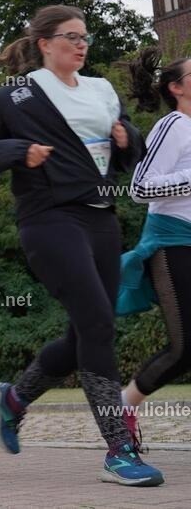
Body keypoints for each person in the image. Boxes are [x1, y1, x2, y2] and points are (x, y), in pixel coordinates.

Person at [0, 4, 163, 486]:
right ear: (45, 43)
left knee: (87, 332)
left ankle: (13, 400)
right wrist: (18, 152)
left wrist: (125, 136)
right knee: (96, 321)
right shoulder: (17, 95)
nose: (81, 44)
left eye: (85, 37)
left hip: (101, 220)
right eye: (70, 36)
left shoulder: (101, 90)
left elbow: (131, 149)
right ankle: (119, 450)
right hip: (48, 219)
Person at [119, 50, 191, 447]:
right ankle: (123, 406)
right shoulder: (173, 124)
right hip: (172, 241)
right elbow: (140, 187)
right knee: (184, 347)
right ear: (176, 88)